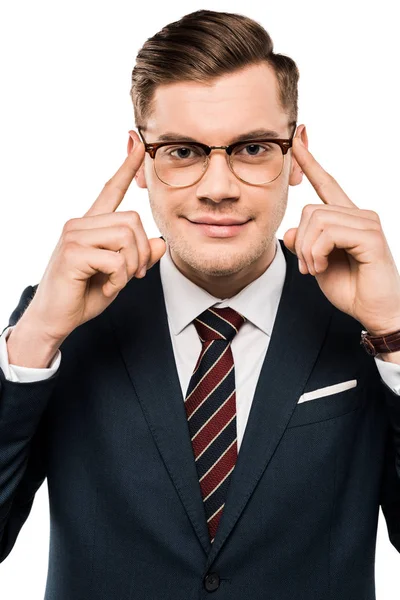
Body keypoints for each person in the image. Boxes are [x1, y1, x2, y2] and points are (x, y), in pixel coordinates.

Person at [1, 8, 399, 599]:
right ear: (140, 160)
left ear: (296, 154)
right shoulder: (58, 320)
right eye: (183, 151)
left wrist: (394, 331)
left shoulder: (365, 319)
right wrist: (34, 341)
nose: (218, 187)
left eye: (253, 148)